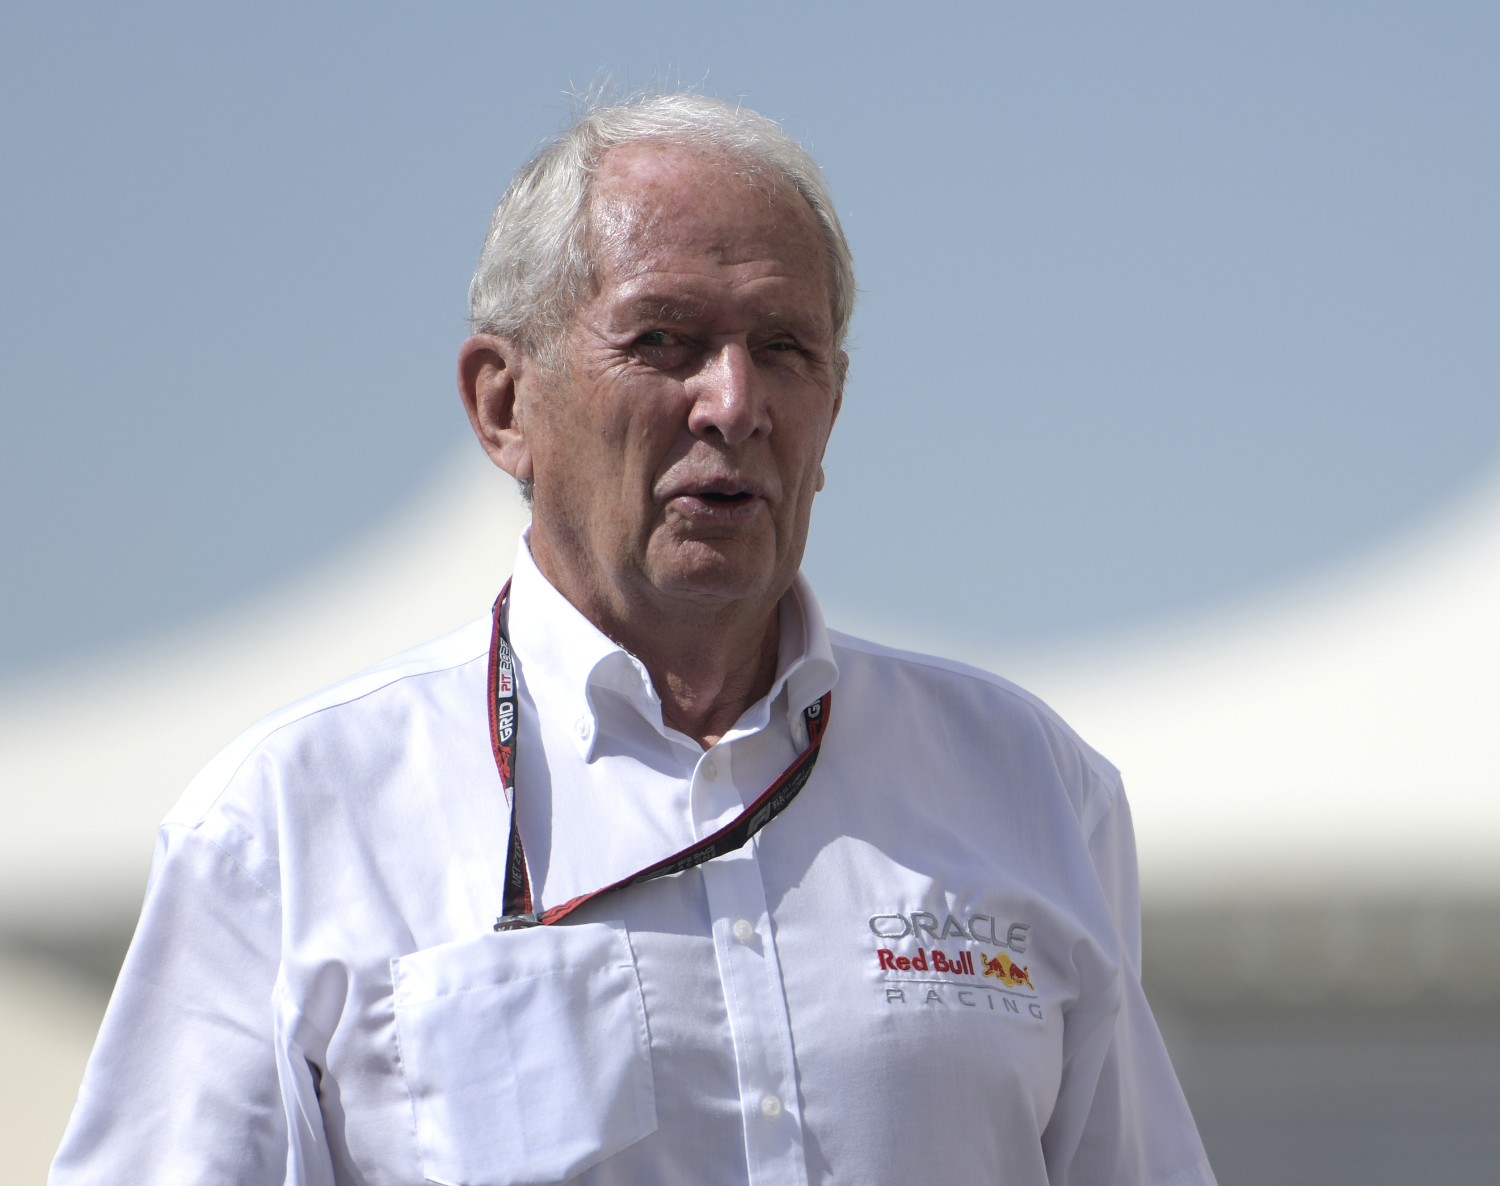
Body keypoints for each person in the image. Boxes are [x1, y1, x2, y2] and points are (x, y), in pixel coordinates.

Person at [51, 93, 1216, 1185]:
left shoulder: (1031, 783)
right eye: (664, 339)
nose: (732, 402)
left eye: (785, 349)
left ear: (832, 408)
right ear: (505, 405)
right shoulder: (293, 822)